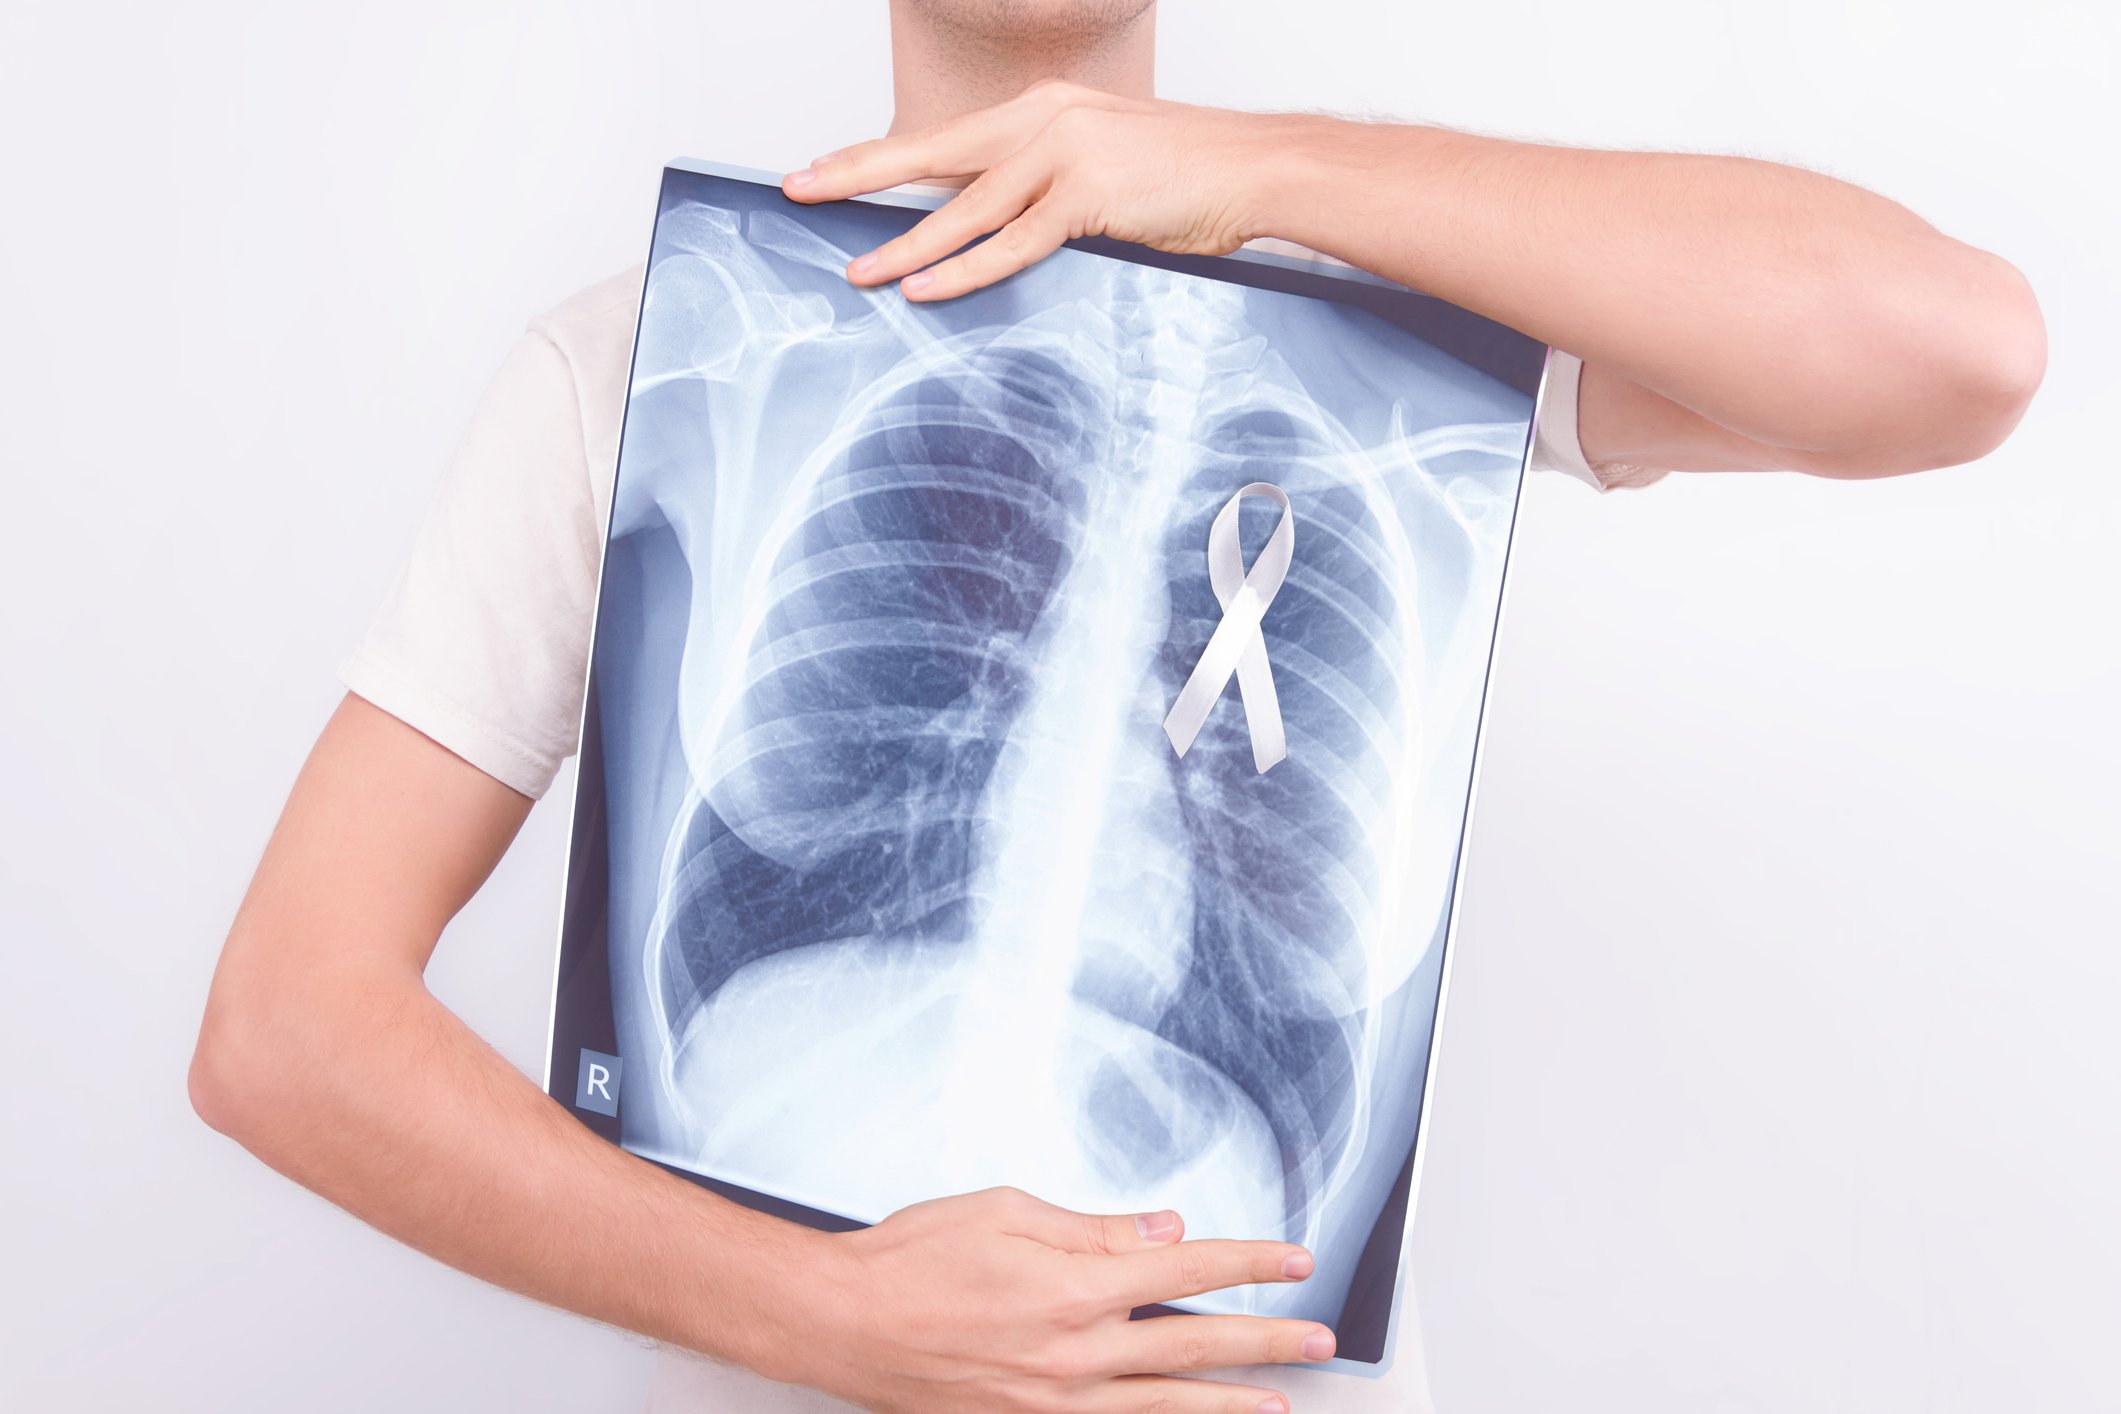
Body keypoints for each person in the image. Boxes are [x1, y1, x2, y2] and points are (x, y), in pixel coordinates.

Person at [188, 3, 2045, 1412]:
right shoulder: (658, 348)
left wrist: (1269, 178)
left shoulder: (1405, 329)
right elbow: (286, 1025)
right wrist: (815, 1308)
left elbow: (1955, 353)